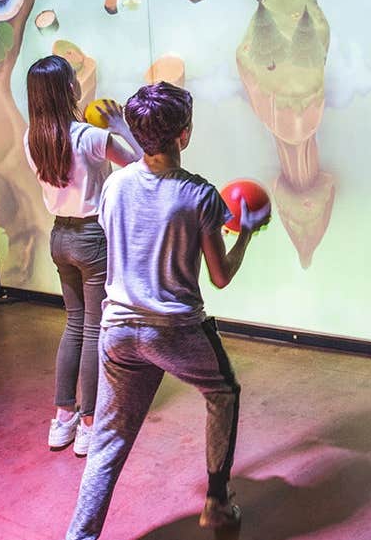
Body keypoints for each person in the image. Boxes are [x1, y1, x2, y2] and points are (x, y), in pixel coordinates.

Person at [66, 81, 269, 540]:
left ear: (141, 134)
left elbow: (146, 185)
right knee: (224, 392)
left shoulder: (114, 186)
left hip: (116, 331)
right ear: (185, 134)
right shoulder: (199, 195)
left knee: (107, 444)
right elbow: (220, 277)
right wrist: (247, 234)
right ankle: (217, 503)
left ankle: (78, 536)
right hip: (174, 331)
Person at [24, 55, 142, 456]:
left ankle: (62, 419)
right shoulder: (90, 137)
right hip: (93, 237)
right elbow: (147, 165)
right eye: (73, 79)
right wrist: (121, 127)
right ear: (68, 90)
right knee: (94, 331)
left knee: (74, 326)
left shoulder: (31, 139)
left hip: (60, 237)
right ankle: (90, 421)